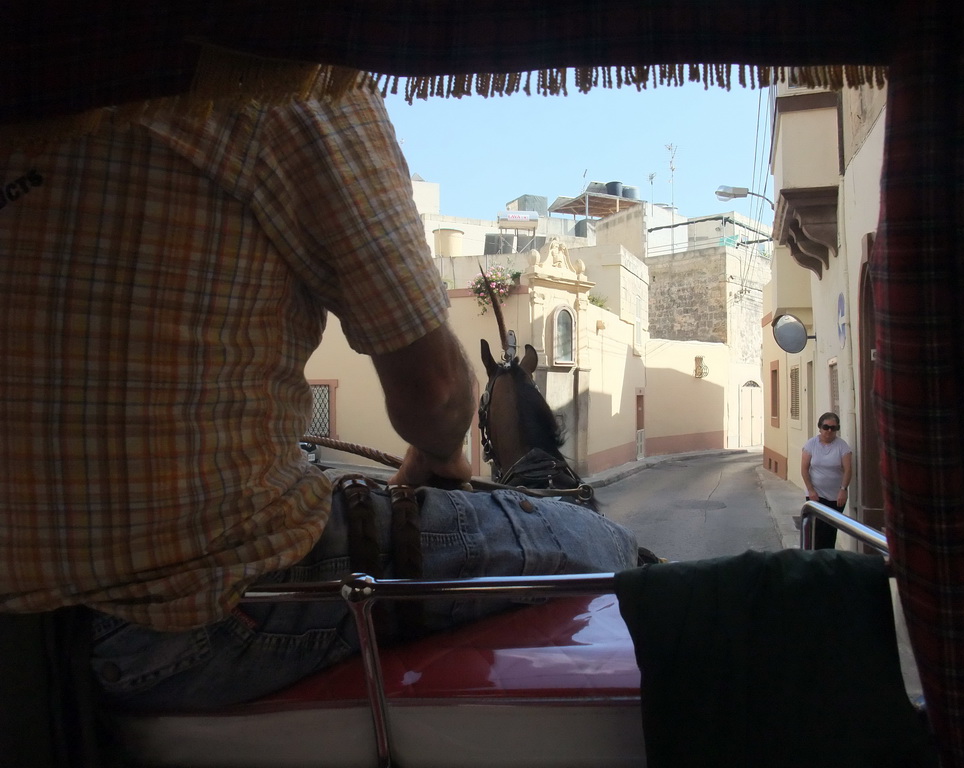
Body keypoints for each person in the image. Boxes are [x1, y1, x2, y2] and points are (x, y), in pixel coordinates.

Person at [0, 73, 638, 712]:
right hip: (200, 615)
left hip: (26, 609)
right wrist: (439, 456)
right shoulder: (287, 81)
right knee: (598, 544)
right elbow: (436, 390)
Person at [800, 412, 853, 549]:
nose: (829, 430)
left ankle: (827, 561)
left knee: (830, 531)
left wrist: (843, 490)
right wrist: (811, 490)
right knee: (816, 530)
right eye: (826, 427)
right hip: (816, 495)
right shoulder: (811, 444)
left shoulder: (842, 446)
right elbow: (805, 469)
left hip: (836, 497)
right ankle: (814, 559)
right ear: (820, 427)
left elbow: (848, 469)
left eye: (833, 428)